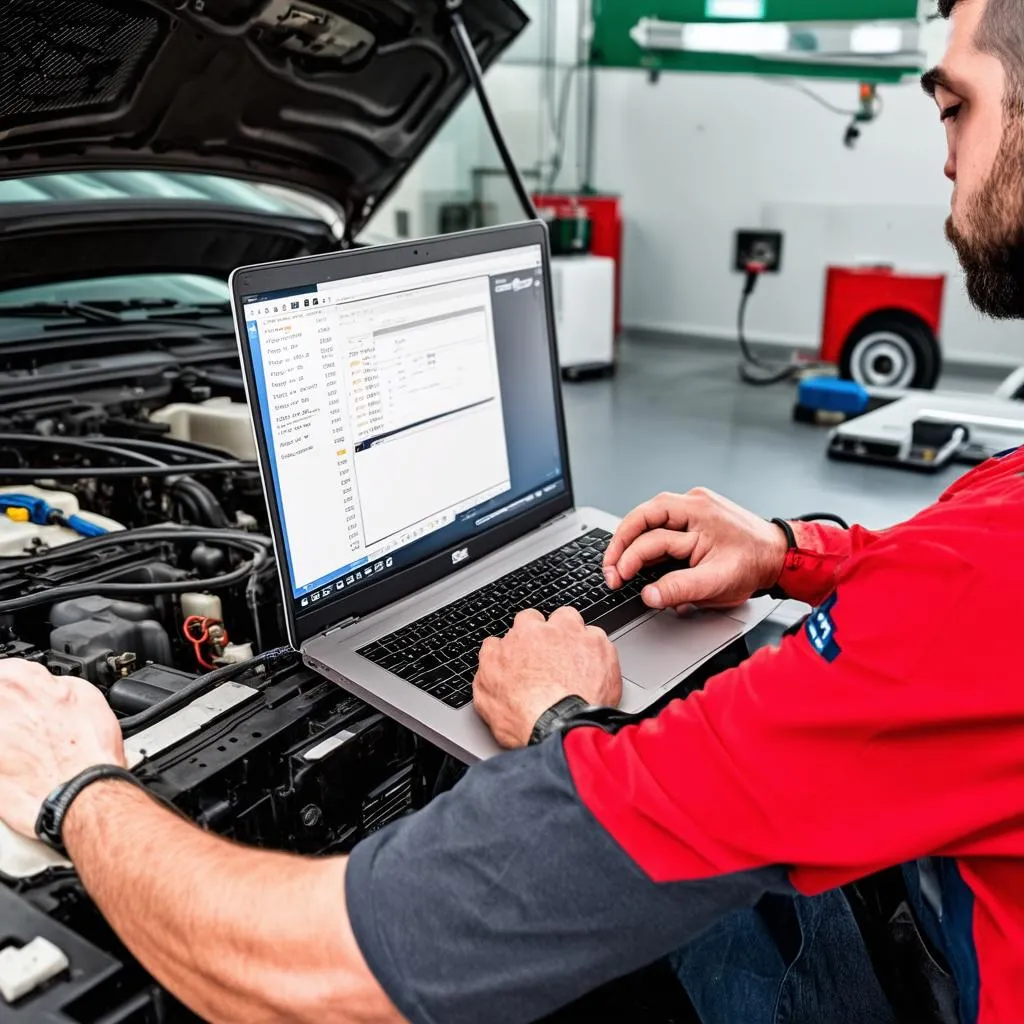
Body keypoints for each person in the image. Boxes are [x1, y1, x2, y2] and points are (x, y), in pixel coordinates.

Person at [0, 0, 1022, 1021]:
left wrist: (76, 785)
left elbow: (299, 972)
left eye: (955, 109)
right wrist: (791, 550)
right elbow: (948, 577)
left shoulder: (978, 592)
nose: (942, 156)